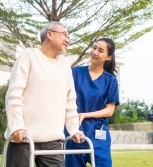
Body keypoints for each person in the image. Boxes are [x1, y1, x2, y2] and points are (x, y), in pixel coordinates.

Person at [4, 21, 84, 167]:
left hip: (52, 141)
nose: (68, 40)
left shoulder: (64, 64)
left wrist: (74, 130)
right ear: (50, 34)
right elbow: (14, 94)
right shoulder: (29, 56)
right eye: (64, 35)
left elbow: (70, 101)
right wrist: (16, 126)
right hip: (24, 138)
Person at [65, 37, 120, 167]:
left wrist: (85, 115)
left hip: (98, 136)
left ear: (108, 57)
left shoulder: (110, 80)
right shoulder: (75, 73)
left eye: (100, 50)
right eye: (94, 48)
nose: (94, 52)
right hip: (75, 133)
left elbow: (109, 110)